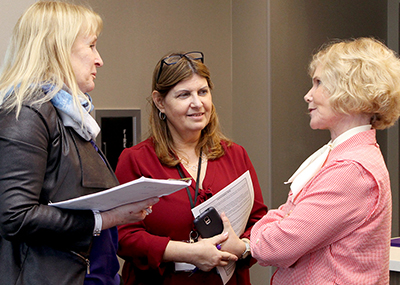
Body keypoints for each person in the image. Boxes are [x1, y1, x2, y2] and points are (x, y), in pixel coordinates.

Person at [0, 2, 158, 285]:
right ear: (57, 48)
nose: (99, 60)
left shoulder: (71, 116)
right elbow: (16, 216)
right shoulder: (26, 112)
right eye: (92, 46)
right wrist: (108, 218)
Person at [250, 37, 400, 284]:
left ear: (351, 90)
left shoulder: (351, 170)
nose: (308, 95)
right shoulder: (346, 157)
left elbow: (272, 247)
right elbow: (288, 221)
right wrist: (284, 219)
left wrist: (266, 229)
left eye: (319, 83)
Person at [115, 51, 268, 285]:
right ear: (159, 102)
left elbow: (259, 222)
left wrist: (243, 247)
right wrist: (186, 253)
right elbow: (123, 236)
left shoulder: (235, 155)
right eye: (184, 95)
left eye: (203, 92)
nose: (197, 104)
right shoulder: (136, 161)